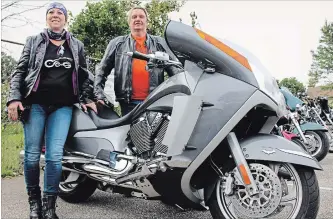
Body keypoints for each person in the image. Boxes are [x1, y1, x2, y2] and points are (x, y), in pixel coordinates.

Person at [6, 2, 96, 219]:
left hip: (62, 107)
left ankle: (49, 207)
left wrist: (88, 98)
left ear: (66, 18)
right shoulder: (34, 41)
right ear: (47, 18)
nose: (55, 15)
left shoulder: (76, 45)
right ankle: (34, 204)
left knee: (55, 157)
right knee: (32, 156)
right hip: (35, 105)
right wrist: (14, 99)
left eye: (60, 13)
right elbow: (20, 72)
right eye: (51, 13)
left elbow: (84, 75)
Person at [94, 6, 181, 116]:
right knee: (130, 132)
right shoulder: (117, 44)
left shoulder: (160, 43)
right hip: (128, 103)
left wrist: (183, 90)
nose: (137, 19)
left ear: (147, 22)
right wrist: (99, 95)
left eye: (141, 16)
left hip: (154, 101)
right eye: (134, 17)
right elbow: (102, 70)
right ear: (129, 22)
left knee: (155, 132)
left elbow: (175, 69)